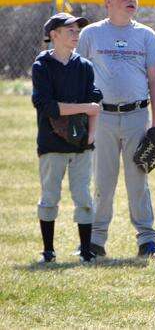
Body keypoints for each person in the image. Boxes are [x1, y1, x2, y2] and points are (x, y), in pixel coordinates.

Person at [76, 0, 155, 259]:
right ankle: (95, 240)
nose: (131, 0)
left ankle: (147, 240)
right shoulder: (90, 34)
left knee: (137, 178)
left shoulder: (146, 35)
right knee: (103, 180)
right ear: (108, 2)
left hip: (136, 114)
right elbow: (79, 77)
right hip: (101, 115)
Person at [31, 13, 103, 263]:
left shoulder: (84, 66)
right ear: (54, 35)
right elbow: (47, 106)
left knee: (83, 196)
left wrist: (91, 134)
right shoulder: (42, 66)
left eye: (77, 30)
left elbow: (95, 102)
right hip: (51, 143)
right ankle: (48, 251)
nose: (76, 34)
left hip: (82, 143)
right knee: (50, 196)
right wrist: (83, 108)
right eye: (69, 30)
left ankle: (85, 251)